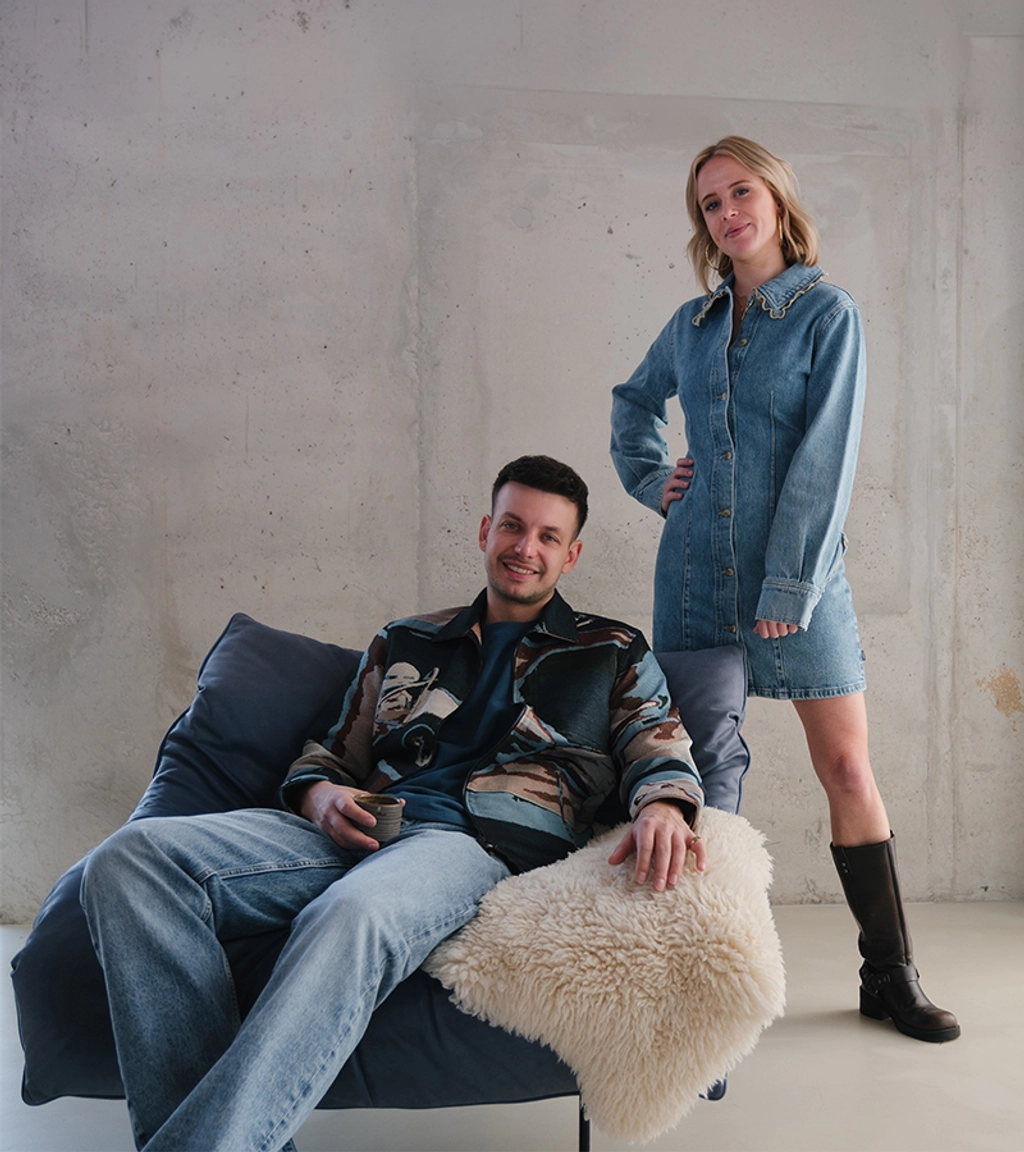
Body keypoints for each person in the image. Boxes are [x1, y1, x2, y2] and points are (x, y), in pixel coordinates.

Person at [81, 454, 707, 1152]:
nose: (525, 548)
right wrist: (319, 795)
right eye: (512, 526)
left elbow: (659, 745)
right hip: (360, 823)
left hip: (472, 842)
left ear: (572, 554)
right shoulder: (408, 639)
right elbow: (329, 752)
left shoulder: (611, 649)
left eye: (547, 536)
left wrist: (663, 807)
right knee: (128, 862)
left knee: (351, 915)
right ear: (486, 531)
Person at [610, 136, 959, 1044]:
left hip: (798, 582)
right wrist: (652, 479)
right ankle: (689, 970)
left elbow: (826, 458)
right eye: (710, 204)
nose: (728, 213)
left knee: (846, 769)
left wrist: (791, 583)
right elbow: (633, 403)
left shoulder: (826, 314)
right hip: (694, 576)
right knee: (691, 772)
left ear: (776, 199)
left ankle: (890, 975)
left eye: (740, 192)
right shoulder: (689, 326)